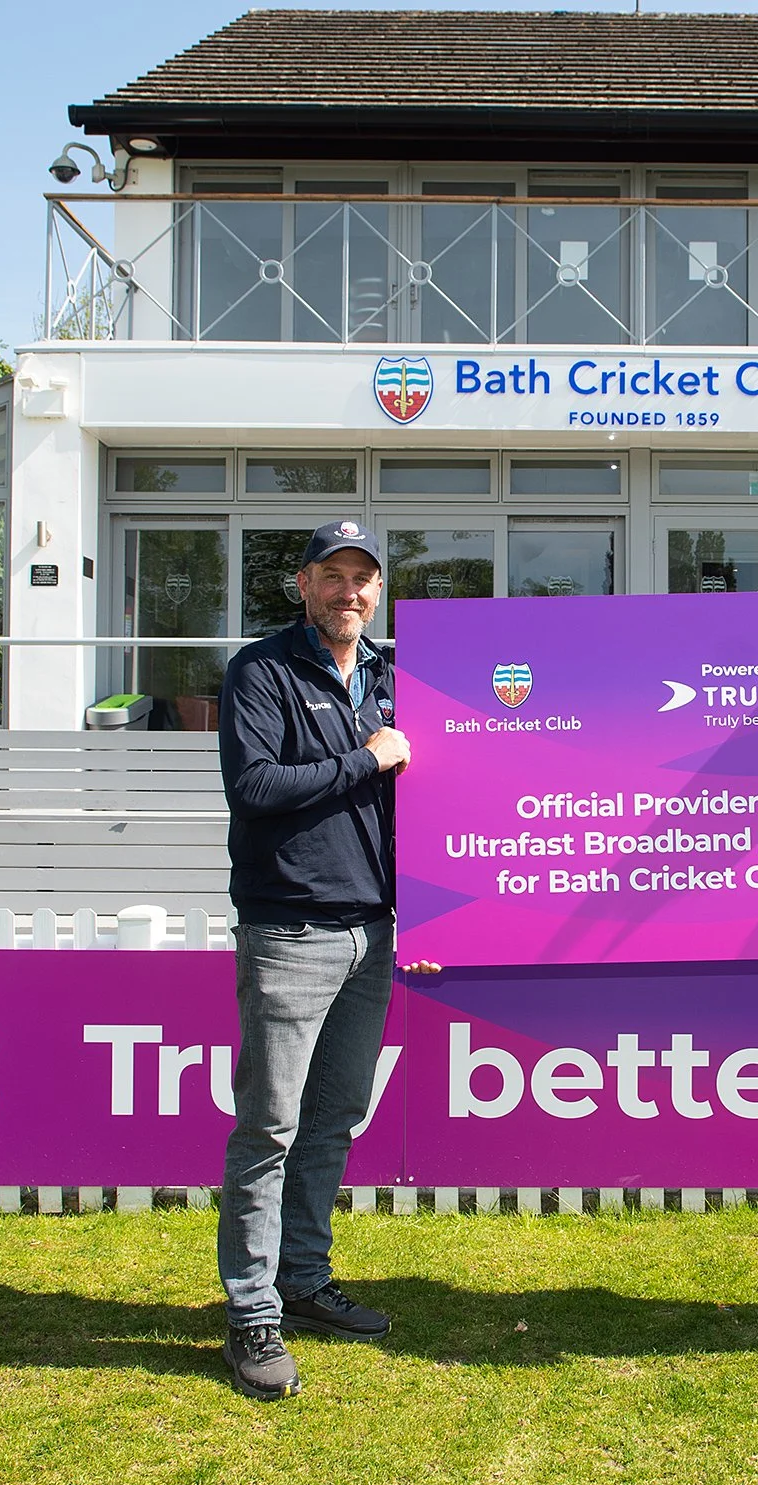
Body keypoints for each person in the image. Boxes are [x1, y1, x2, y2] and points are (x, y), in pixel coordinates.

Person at [214, 517, 434, 1401]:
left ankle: (302, 1279)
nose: (350, 591)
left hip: (374, 931)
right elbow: (255, 788)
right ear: (302, 585)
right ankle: (251, 1313)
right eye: (333, 575)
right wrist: (366, 758)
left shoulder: (394, 674)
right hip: (291, 930)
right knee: (269, 1125)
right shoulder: (260, 671)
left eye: (364, 577)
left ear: (379, 590)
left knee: (333, 1118)